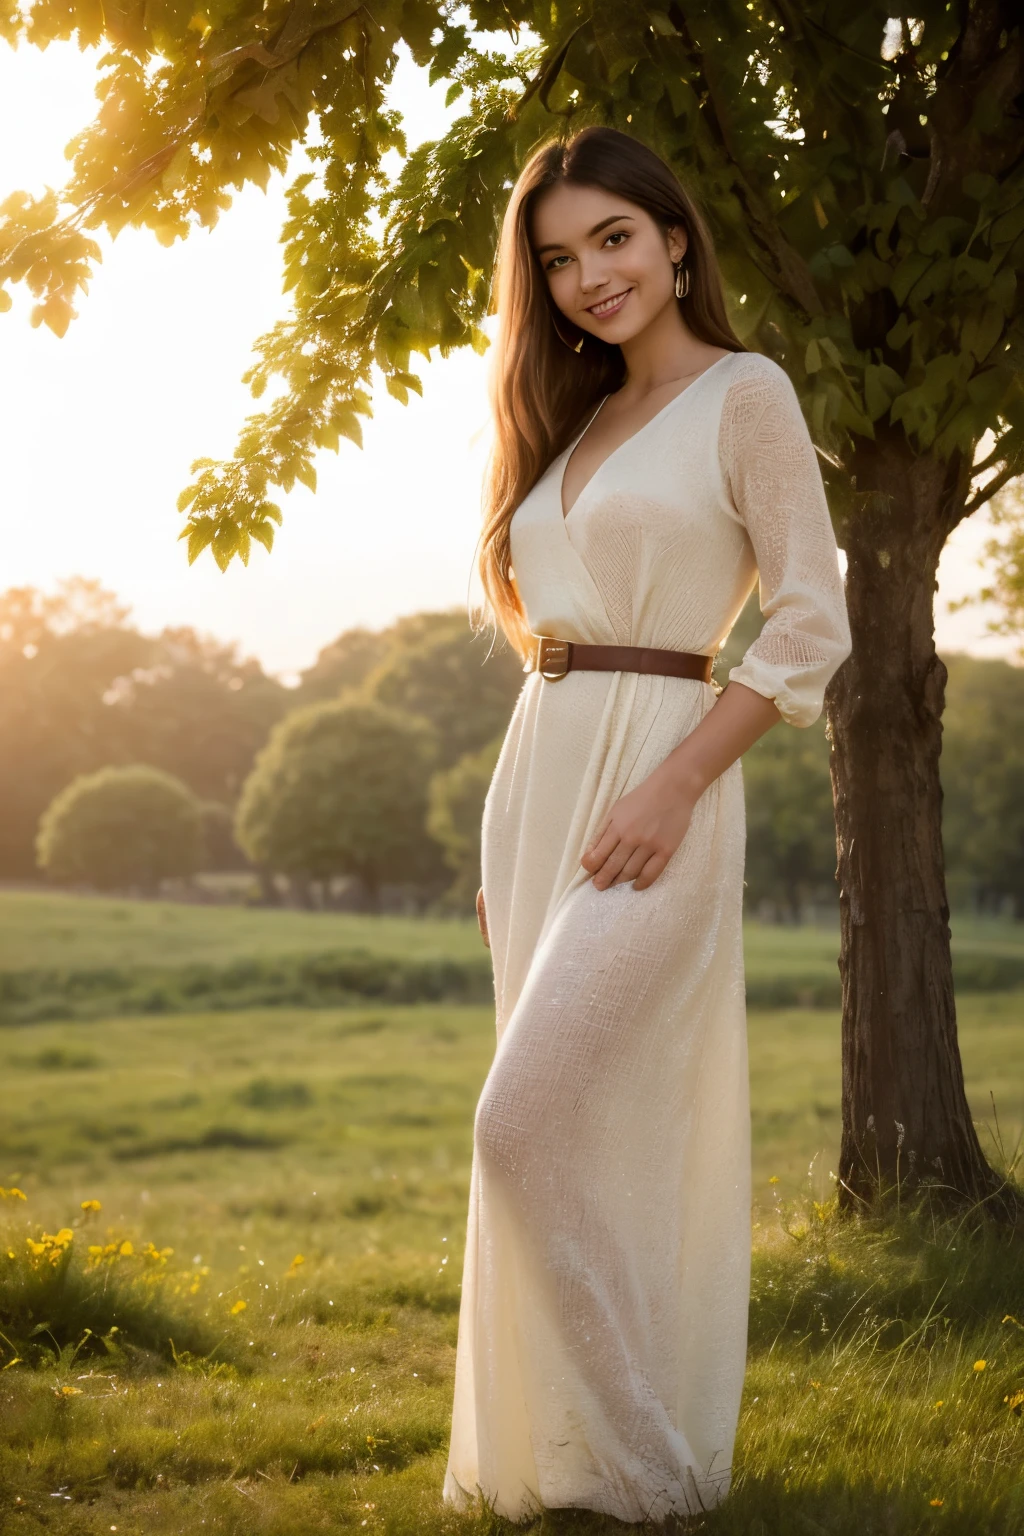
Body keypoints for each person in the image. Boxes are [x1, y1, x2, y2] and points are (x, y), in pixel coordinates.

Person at [442, 125, 852, 1526]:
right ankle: (575, 1461)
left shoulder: (747, 394)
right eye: (557, 259)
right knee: (571, 1131)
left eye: (612, 238)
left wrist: (679, 779)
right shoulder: (571, 421)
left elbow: (809, 618)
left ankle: (653, 1472)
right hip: (544, 784)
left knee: (522, 1124)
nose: (587, 277)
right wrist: (509, 845)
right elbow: (548, 641)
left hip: (659, 786)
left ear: (677, 239)